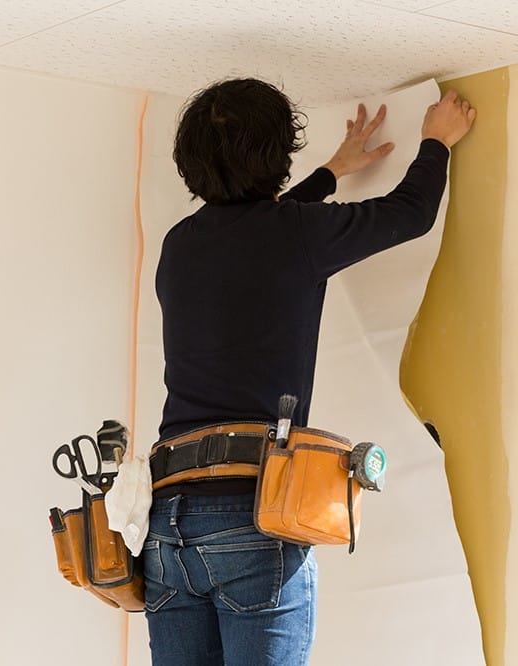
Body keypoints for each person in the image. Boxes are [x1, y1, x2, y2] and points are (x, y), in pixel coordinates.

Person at [144, 79, 475, 666]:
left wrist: (331, 173)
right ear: (278, 156)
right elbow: (410, 213)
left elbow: (255, 233)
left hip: (168, 523)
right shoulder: (293, 234)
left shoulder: (180, 245)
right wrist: (436, 141)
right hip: (251, 514)